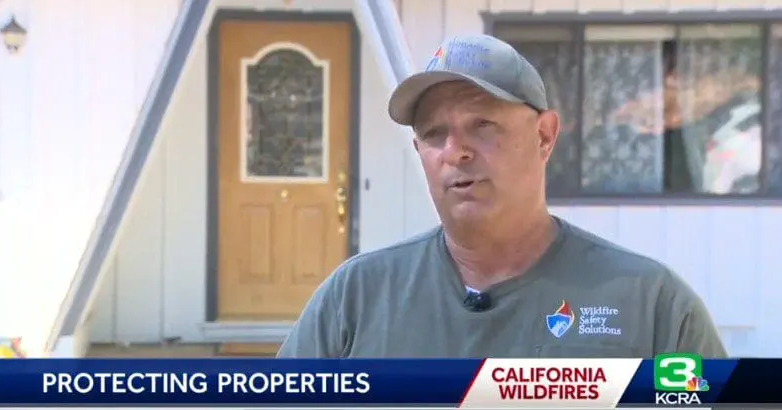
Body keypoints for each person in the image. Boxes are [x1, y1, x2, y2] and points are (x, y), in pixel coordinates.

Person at [277, 34, 727, 358]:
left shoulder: (650, 304)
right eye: (434, 134)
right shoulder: (355, 299)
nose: (455, 151)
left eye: (482, 125)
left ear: (545, 136)